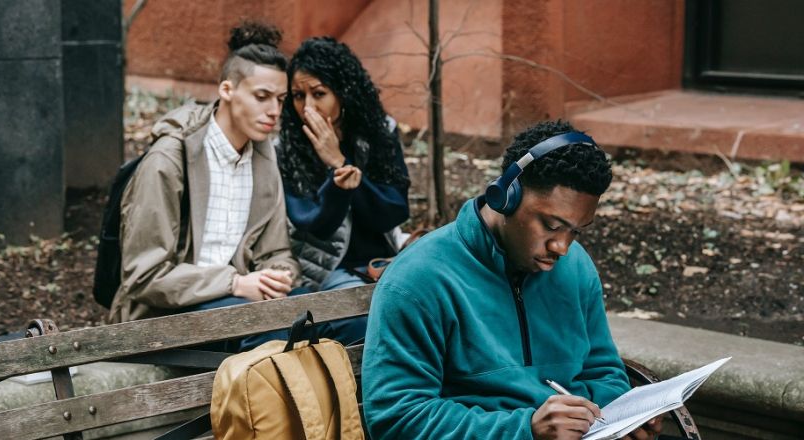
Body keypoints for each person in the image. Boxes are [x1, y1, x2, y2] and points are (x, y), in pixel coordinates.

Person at [362, 120, 663, 440]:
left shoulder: (576, 267)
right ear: (505, 196)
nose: (562, 247)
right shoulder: (417, 280)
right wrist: (525, 429)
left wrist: (625, 416)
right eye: (550, 224)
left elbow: (604, 373)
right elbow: (396, 417)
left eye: (575, 230)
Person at [108, 22, 300, 325]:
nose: (275, 111)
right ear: (227, 90)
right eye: (262, 96)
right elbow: (144, 277)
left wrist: (277, 276)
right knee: (274, 336)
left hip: (240, 304)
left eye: (281, 99)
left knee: (329, 319)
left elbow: (275, 251)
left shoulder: (263, 156)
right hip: (161, 315)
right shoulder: (169, 159)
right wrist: (234, 283)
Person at [272, 37, 410, 344]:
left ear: (343, 93)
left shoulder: (378, 131)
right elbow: (315, 224)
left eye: (319, 94)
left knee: (429, 304)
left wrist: (339, 161)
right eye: (297, 96)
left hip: (382, 261)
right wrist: (338, 181)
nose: (307, 107)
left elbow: (394, 210)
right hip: (325, 269)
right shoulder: (287, 147)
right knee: (371, 322)